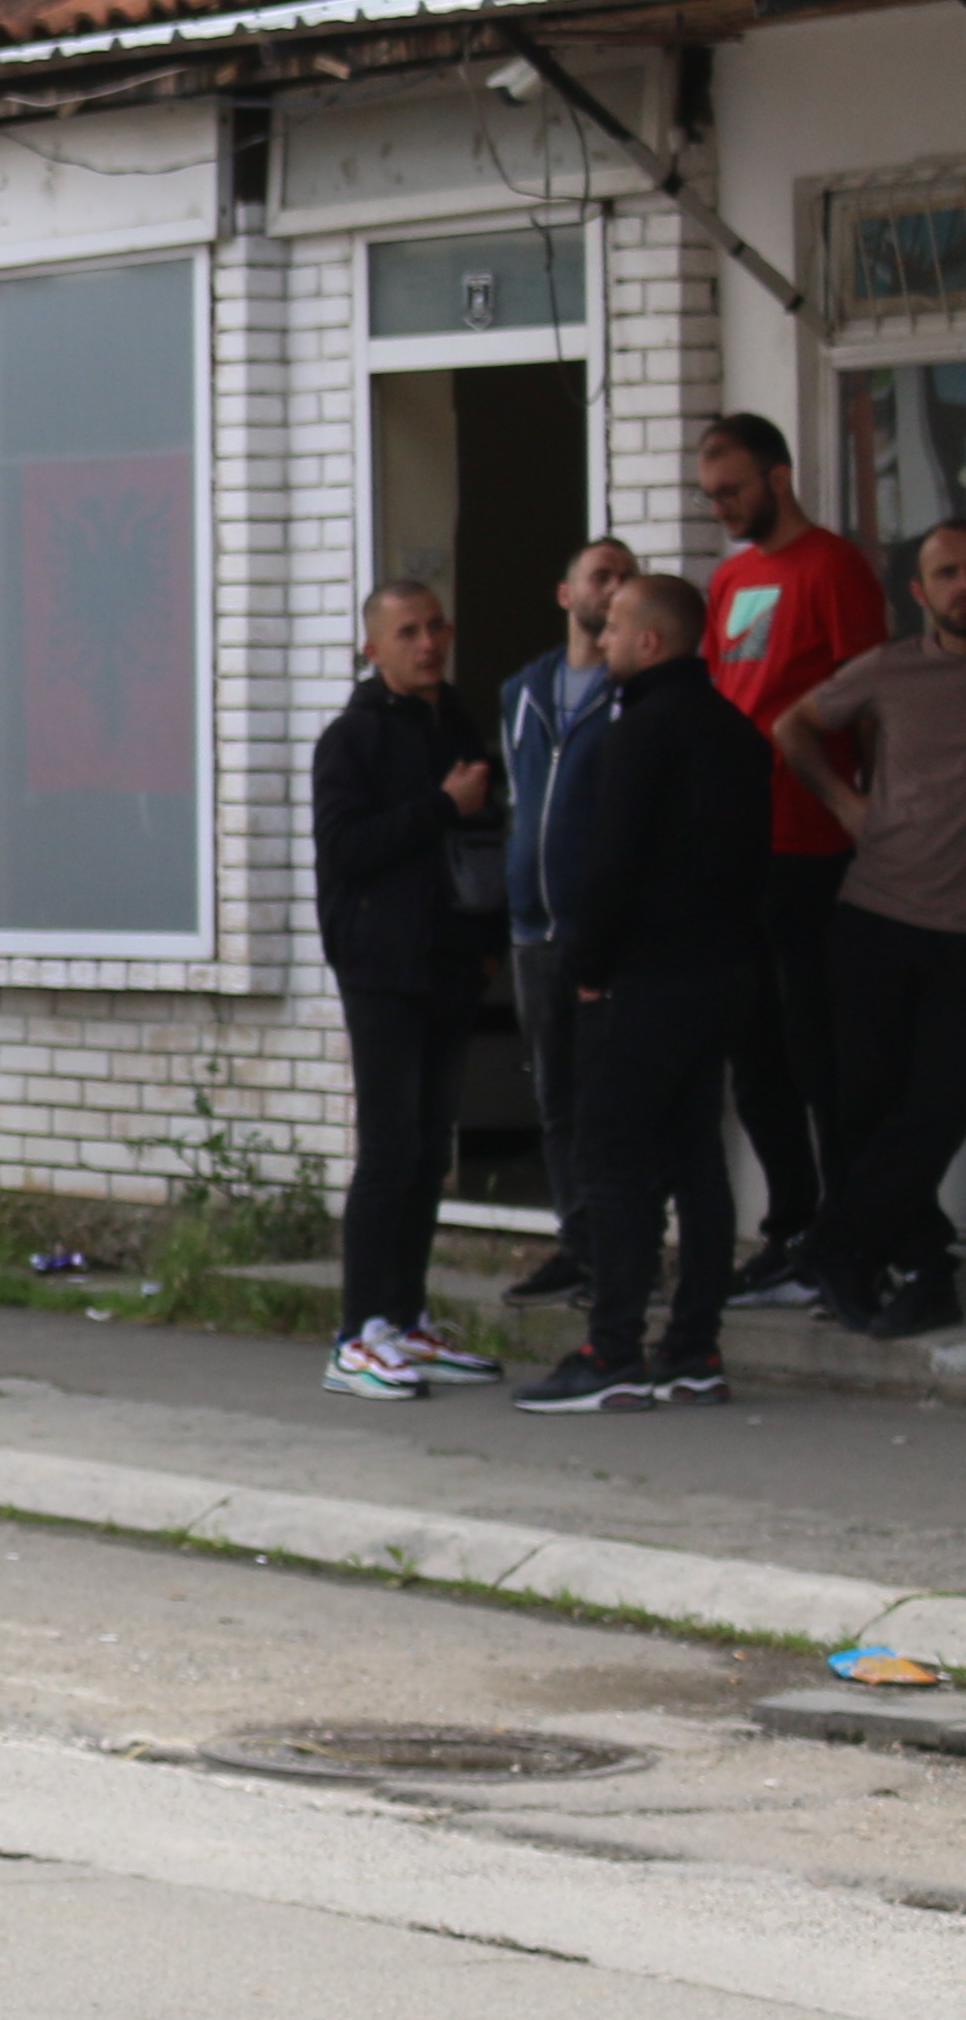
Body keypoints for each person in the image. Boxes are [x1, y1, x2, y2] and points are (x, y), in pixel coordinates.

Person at [520, 570, 772, 1411]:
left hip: (642, 985)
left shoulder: (640, 733)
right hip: (720, 980)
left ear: (652, 643)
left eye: (619, 627)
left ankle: (613, 1348)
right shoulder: (737, 733)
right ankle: (694, 1346)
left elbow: (612, 863)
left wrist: (587, 970)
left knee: (616, 1161)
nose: (607, 637)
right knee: (697, 1156)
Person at [692, 414, 888, 1300]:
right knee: (754, 1050)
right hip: (737, 846)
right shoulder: (732, 578)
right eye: (712, 496)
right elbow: (716, 691)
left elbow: (871, 700)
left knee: (821, 1049)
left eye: (734, 490)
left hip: (814, 842)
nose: (725, 507)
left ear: (780, 477)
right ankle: (791, 1223)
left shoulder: (834, 567)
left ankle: (850, 1230)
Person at [309, 581, 504, 1400]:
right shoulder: (350, 739)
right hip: (381, 967)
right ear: (372, 648)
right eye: (408, 632)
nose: (428, 644)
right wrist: (439, 805)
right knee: (389, 1147)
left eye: (436, 628)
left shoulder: (456, 722)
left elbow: (482, 836)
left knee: (431, 1144)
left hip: (449, 961)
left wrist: (488, 939)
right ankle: (358, 1334)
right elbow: (349, 848)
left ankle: (407, 1316)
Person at [780, 514, 966, 1338]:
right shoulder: (891, 671)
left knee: (938, 1109)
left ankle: (835, 1244)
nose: (964, 586)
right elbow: (792, 727)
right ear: (922, 593)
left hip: (961, 939)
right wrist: (848, 805)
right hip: (878, 920)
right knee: (872, 1110)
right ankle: (924, 1269)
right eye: (948, 573)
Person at [494, 536, 638, 1307]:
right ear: (566, 594)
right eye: (600, 576)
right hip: (530, 930)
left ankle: (623, 1253)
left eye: (625, 579)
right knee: (554, 1096)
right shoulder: (524, 691)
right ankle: (577, 1243)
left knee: (609, 1096)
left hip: (602, 931)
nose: (613, 589)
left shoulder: (632, 695)